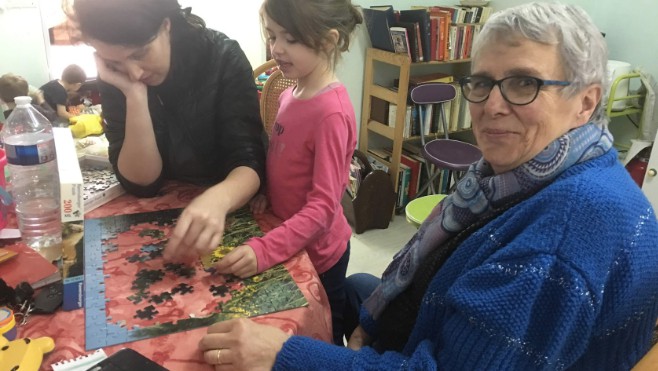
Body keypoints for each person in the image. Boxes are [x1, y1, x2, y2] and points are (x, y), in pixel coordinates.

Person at [198, 2, 658, 370]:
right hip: (437, 323)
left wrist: (283, 356)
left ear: (586, 102)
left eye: (523, 83)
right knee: (363, 285)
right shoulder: (524, 172)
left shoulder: (559, 242)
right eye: (481, 82)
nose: (491, 105)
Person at [212, 0, 362, 346]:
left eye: (289, 39)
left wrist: (264, 250)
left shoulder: (331, 113)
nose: (276, 49)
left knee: (323, 334)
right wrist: (268, 191)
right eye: (272, 36)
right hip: (289, 239)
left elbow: (323, 208)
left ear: (328, 41)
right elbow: (283, 157)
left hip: (322, 255)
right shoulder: (289, 91)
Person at [65, 0, 266, 258]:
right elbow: (142, 183)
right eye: (114, 61)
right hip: (161, 218)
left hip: (231, 205)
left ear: (166, 26)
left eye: (140, 54)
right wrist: (134, 95)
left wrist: (219, 199)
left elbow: (249, 159)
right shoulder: (119, 77)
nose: (134, 72)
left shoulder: (222, 56)